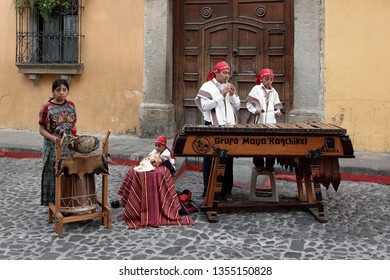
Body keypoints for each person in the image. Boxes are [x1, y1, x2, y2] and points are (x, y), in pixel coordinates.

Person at [195, 61, 240, 202]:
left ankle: (227, 191)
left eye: (228, 73)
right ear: (216, 73)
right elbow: (205, 106)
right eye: (224, 73)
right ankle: (208, 189)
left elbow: (238, 106)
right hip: (212, 126)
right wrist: (221, 95)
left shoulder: (229, 86)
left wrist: (232, 95)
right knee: (209, 158)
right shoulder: (207, 86)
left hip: (228, 126)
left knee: (228, 157)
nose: (227, 76)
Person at [39, 79, 78, 206]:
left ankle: (67, 202)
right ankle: (54, 204)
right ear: (53, 91)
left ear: (68, 91)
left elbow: (72, 126)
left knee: (68, 173)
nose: (61, 93)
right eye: (58, 90)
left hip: (69, 148)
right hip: (53, 147)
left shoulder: (71, 105)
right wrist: (53, 139)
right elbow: (41, 130)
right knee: (54, 175)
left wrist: (75, 136)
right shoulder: (47, 107)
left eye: (64, 90)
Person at [246, 68, 283, 170]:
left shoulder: (274, 91)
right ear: (261, 79)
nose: (269, 82)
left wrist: (277, 112)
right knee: (258, 142)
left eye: (271, 79)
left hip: (271, 122)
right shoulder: (256, 89)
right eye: (266, 79)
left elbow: (277, 106)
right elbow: (249, 104)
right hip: (259, 121)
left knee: (271, 142)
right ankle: (259, 164)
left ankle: (270, 164)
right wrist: (254, 111)